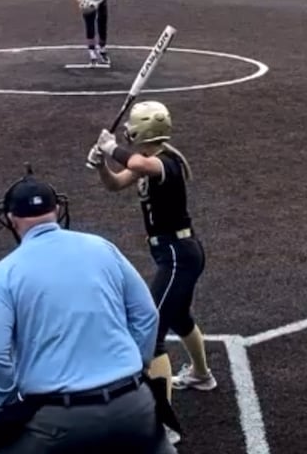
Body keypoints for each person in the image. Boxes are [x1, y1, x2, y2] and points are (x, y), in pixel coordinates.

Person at [0, 169, 175, 454]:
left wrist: (9, 403)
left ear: (10, 218)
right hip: (134, 407)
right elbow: (147, 315)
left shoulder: (0, 276)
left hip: (56, 422)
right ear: (57, 209)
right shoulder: (104, 248)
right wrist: (137, 368)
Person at [89, 101, 217, 420]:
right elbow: (115, 184)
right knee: (179, 317)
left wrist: (110, 147)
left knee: (152, 334)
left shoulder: (164, 164)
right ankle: (201, 375)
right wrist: (102, 164)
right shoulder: (148, 161)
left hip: (177, 255)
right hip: (176, 253)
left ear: (141, 131)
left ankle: (163, 422)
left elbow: (138, 164)